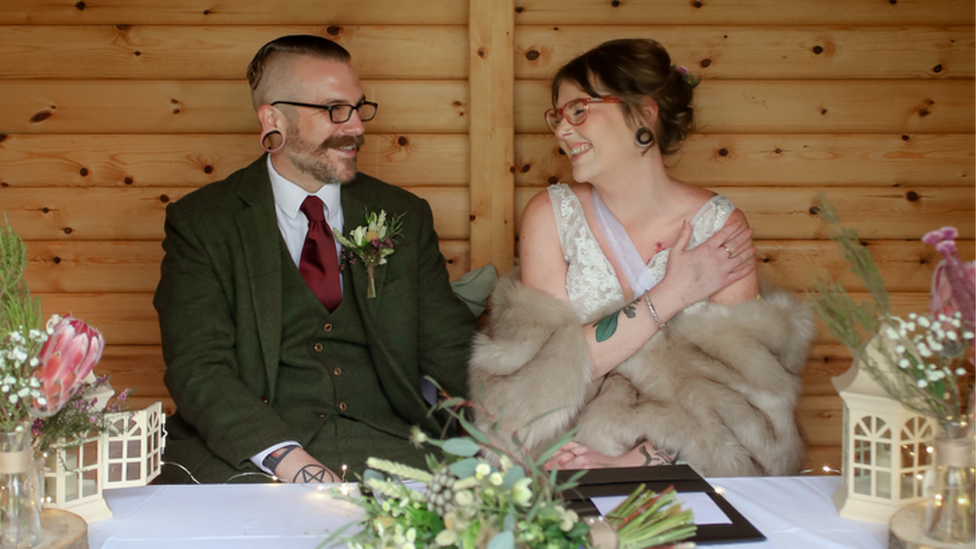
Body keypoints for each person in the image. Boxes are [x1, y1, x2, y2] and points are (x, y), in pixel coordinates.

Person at [469, 39, 814, 477]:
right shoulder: (550, 217)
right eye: (558, 115)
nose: (561, 130)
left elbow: (741, 395)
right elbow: (546, 374)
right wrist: (671, 294)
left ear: (643, 114)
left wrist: (632, 463)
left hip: (687, 460)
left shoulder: (718, 227)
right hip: (565, 450)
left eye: (579, 110)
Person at [154, 35, 477, 484]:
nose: (357, 127)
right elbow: (199, 368)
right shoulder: (203, 223)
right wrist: (295, 465)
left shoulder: (404, 213)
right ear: (274, 120)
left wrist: (519, 429)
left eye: (359, 107)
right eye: (333, 109)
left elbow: (450, 346)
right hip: (256, 454)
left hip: (392, 445)